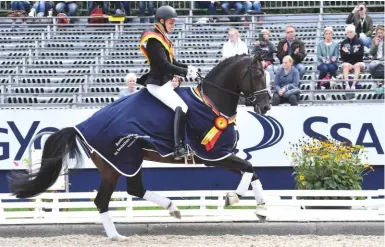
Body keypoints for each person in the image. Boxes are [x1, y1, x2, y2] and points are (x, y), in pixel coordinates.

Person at [138, 6, 198, 160]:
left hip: (165, 81)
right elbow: (164, 65)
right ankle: (178, 147)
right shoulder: (154, 40)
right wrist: (184, 72)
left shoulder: (163, 38)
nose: (173, 26)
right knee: (182, 107)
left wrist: (188, 68)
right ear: (162, 21)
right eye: (171, 23)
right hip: (157, 84)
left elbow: (172, 61)